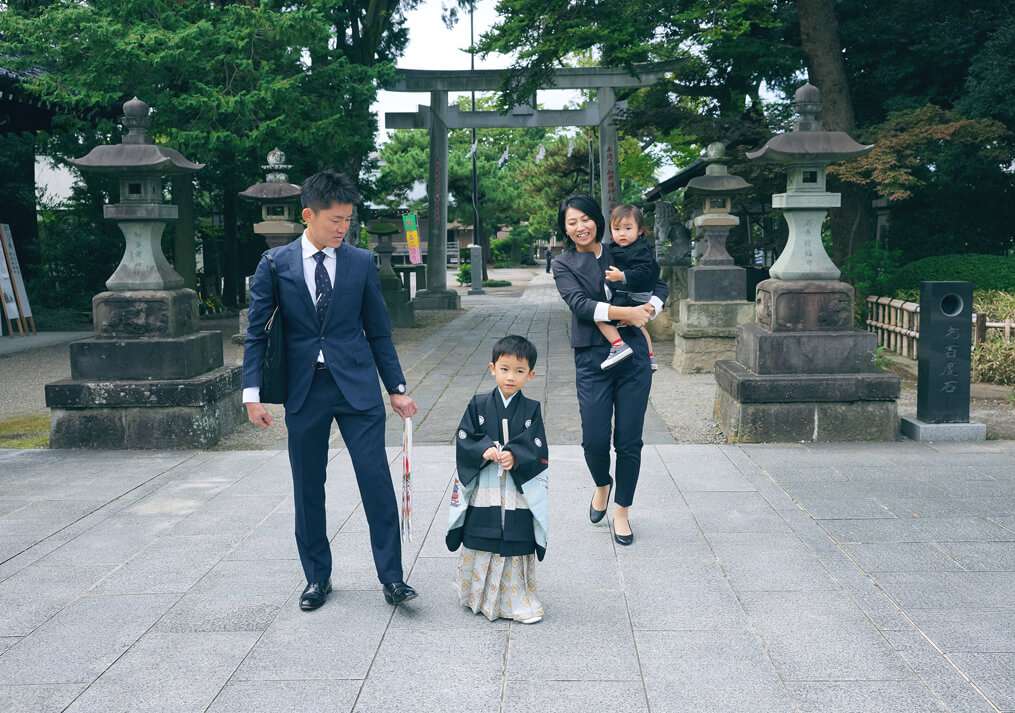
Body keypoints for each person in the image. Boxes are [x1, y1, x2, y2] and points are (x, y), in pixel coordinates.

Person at [242, 170, 420, 611]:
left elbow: (379, 332)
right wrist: (251, 394)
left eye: (347, 220)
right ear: (309, 215)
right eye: (335, 220)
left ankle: (393, 579)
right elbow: (256, 333)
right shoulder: (275, 264)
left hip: (357, 388)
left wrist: (395, 388)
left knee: (376, 480)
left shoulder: (359, 264)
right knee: (308, 487)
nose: (343, 228)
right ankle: (316, 578)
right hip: (304, 389)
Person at [551, 195, 667, 546]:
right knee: (595, 439)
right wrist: (625, 314)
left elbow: (656, 281)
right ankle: (602, 483)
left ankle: (622, 511)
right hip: (591, 358)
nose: (580, 227)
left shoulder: (621, 247)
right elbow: (580, 305)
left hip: (632, 355)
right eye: (572, 222)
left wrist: (650, 310)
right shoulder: (563, 264)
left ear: (598, 221)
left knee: (630, 440)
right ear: (565, 229)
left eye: (585, 219)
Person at [447, 335, 550, 624]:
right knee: (483, 530)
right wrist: (485, 450)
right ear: (492, 368)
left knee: (514, 534)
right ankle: (475, 594)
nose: (510, 377)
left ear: (530, 374)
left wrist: (515, 455)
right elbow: (465, 437)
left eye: (519, 371)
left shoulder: (531, 409)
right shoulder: (478, 404)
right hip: (486, 485)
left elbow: (538, 445)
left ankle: (516, 599)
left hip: (515, 488)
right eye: (504, 369)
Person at [596, 205, 660, 371]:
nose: (622, 233)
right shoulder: (614, 248)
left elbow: (646, 272)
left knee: (600, 315)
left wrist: (622, 276)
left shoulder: (641, 249)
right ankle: (651, 357)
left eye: (628, 228)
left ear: (640, 231)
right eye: (616, 229)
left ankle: (618, 345)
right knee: (638, 326)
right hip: (632, 293)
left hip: (635, 294)